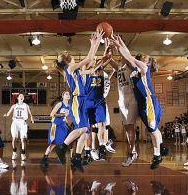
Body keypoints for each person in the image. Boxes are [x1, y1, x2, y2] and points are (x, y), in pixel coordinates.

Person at [110, 35, 169, 169]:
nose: (139, 58)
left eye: (142, 58)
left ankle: (158, 154)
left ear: (147, 62)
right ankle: (161, 149)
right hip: (141, 102)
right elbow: (129, 57)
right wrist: (120, 43)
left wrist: (119, 45)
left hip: (148, 101)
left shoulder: (144, 67)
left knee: (152, 129)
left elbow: (129, 57)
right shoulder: (135, 69)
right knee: (151, 128)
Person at [54, 30, 103, 172]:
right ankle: (62, 147)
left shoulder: (75, 71)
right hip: (76, 102)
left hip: (82, 101)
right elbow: (88, 59)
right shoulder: (70, 68)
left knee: (86, 132)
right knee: (82, 129)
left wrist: (94, 45)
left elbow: (90, 62)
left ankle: (76, 157)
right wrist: (94, 43)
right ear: (69, 59)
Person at [109, 45, 139, 167]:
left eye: (123, 56)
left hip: (131, 98)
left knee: (130, 127)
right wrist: (108, 47)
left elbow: (126, 54)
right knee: (126, 127)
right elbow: (110, 60)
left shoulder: (131, 66)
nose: (121, 58)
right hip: (122, 100)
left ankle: (132, 151)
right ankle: (132, 150)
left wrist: (120, 46)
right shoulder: (120, 68)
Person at [40, 91, 70, 168]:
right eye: (66, 94)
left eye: (69, 94)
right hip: (55, 125)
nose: (68, 95)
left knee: (64, 142)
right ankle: (45, 158)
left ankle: (60, 155)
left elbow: (65, 117)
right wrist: (62, 114)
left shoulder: (69, 106)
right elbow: (52, 114)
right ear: (63, 96)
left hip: (63, 125)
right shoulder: (60, 104)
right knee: (53, 143)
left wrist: (67, 124)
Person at [4, 93, 34, 161]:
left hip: (23, 122)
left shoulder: (26, 105)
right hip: (15, 122)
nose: (22, 97)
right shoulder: (14, 105)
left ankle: (23, 154)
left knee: (23, 139)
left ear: (23, 98)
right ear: (17, 98)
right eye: (20, 96)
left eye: (23, 96)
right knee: (14, 138)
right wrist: (6, 115)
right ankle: (14, 152)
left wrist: (32, 118)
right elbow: (8, 113)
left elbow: (30, 113)